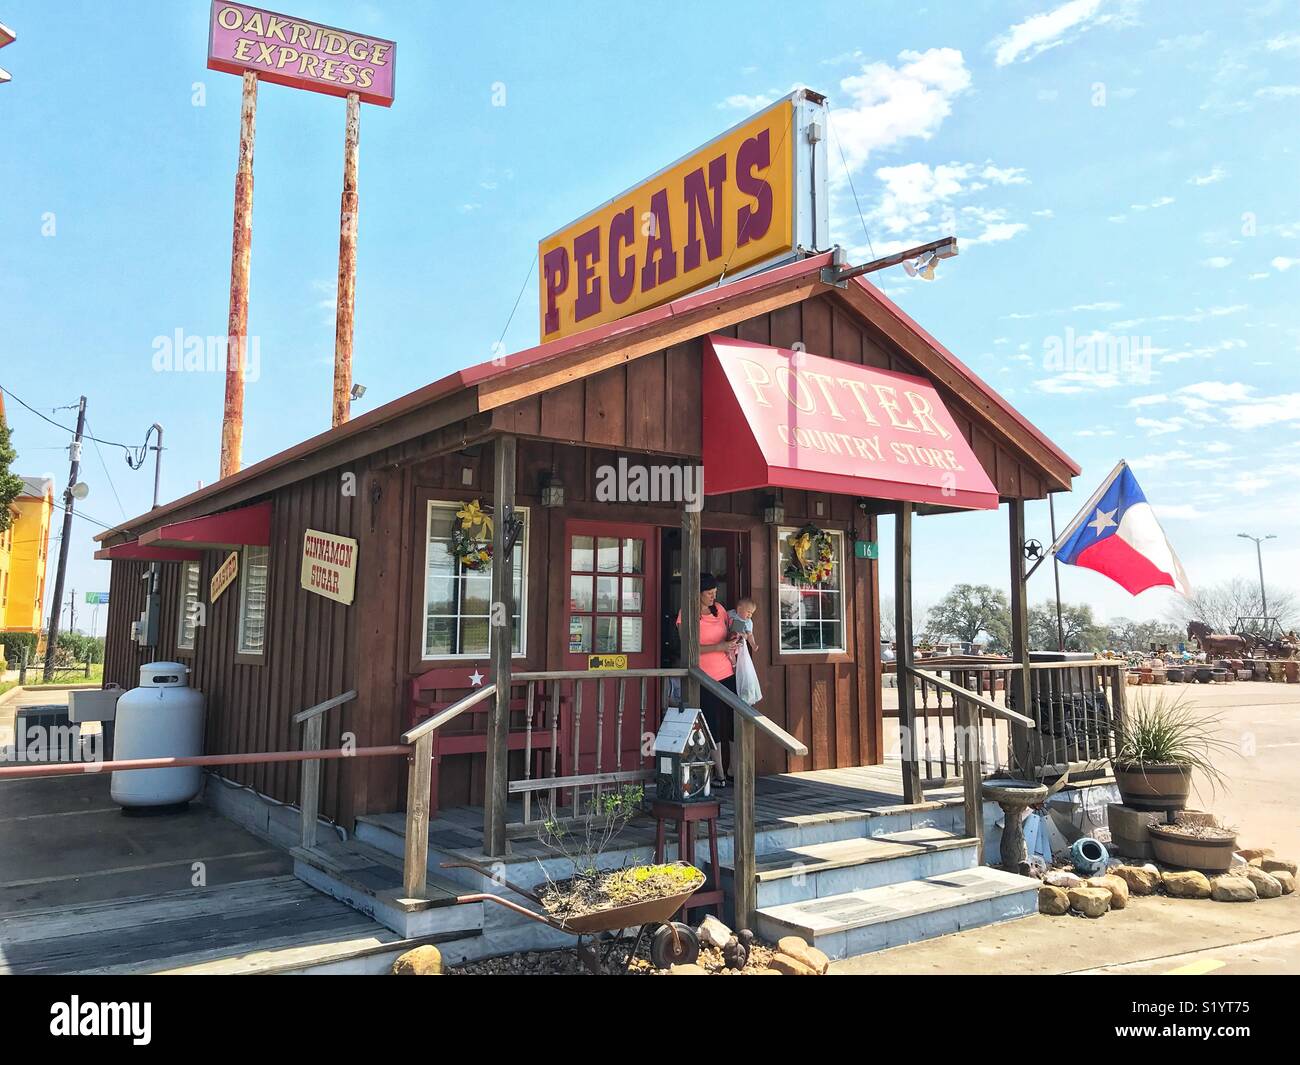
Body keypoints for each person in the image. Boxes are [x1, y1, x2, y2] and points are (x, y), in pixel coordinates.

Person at [676, 573, 741, 787]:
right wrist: (718, 648)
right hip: (704, 675)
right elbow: (687, 648)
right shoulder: (687, 614)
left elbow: (728, 631)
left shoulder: (720, 609)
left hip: (727, 672)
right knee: (711, 722)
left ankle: (734, 768)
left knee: (733, 720)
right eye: (709, 593)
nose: (714, 596)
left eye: (715, 592)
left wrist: (732, 639)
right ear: (698, 593)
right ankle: (718, 772)